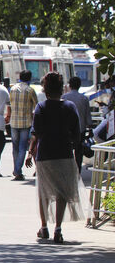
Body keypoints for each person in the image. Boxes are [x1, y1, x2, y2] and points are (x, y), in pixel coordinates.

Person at [25, 72, 89, 244]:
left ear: (45, 89)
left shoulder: (41, 107)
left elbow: (35, 133)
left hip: (44, 154)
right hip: (64, 153)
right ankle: (58, 229)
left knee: (44, 192)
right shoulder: (70, 107)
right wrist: (75, 148)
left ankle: (44, 227)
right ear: (61, 89)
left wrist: (30, 152)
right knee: (62, 193)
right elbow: (76, 134)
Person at [9, 70, 39, 181]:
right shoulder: (30, 90)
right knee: (22, 148)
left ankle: (17, 170)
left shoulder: (12, 89)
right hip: (26, 123)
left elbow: (9, 104)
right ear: (29, 78)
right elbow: (37, 107)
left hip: (13, 122)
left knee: (15, 148)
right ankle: (17, 171)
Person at [62, 76, 93, 172]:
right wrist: (90, 128)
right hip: (80, 129)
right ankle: (78, 171)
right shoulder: (84, 98)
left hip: (66, 130)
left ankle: (68, 171)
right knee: (79, 151)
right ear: (79, 85)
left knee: (66, 151)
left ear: (70, 85)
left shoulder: (64, 98)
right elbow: (88, 116)